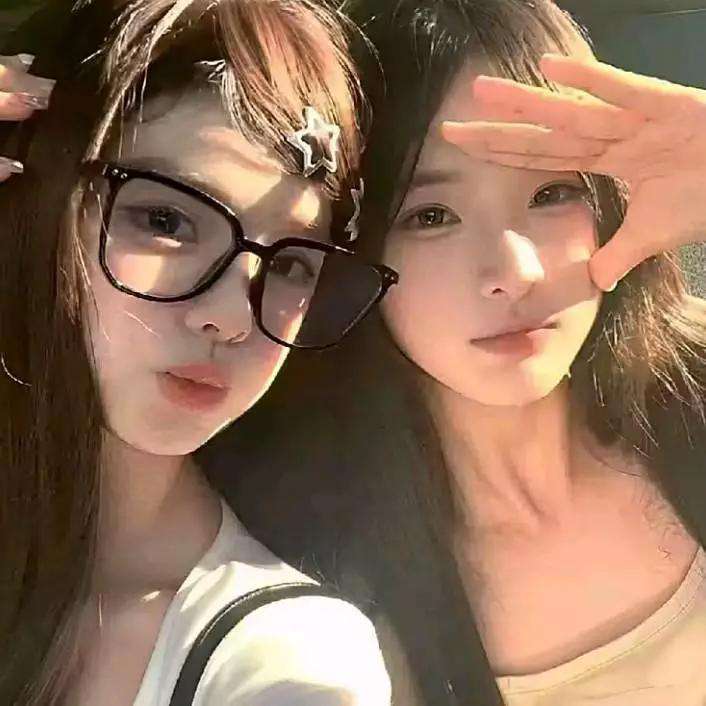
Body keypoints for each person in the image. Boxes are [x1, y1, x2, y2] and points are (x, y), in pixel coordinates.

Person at [204, 1, 706, 704]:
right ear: (352, 248)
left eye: (552, 192)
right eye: (431, 216)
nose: (516, 271)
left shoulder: (693, 386)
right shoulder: (320, 580)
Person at [0, 1, 396, 705]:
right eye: (167, 220)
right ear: (36, 199)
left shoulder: (289, 662)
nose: (231, 318)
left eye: (292, 264)